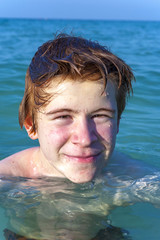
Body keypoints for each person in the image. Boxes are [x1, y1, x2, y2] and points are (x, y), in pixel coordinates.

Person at [0, 33, 157, 240]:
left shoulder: (128, 175)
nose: (84, 138)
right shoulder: (10, 178)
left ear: (118, 122)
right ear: (32, 126)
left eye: (100, 115)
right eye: (63, 116)